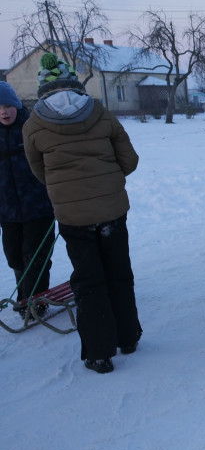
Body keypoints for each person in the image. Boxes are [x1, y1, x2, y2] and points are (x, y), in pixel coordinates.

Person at [22, 55, 142, 374]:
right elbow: (129, 160)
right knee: (119, 272)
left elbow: (39, 171)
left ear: (44, 88)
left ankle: (99, 353)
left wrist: (66, 188)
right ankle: (128, 338)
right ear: (73, 82)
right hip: (112, 209)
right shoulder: (99, 112)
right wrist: (106, 179)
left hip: (72, 215)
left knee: (89, 282)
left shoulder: (33, 124)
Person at [1, 81, 55, 318]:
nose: (3, 111)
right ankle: (25, 297)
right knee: (14, 255)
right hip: (8, 211)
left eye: (7, 106)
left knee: (36, 256)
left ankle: (37, 301)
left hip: (38, 207)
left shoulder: (33, 127)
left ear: (16, 105)